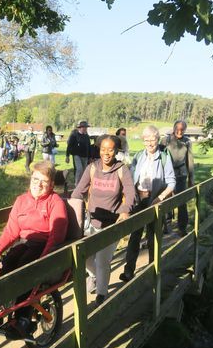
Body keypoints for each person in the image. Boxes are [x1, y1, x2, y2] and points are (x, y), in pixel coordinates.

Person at [0, 161, 68, 336]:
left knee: (25, 269)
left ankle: (23, 319)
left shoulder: (55, 202)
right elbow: (11, 231)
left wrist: (44, 259)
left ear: (51, 184)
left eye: (44, 181)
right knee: (6, 265)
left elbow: (56, 235)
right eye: (35, 179)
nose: (38, 184)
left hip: (41, 243)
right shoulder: (21, 201)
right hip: (22, 242)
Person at [70, 135, 135, 306]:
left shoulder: (122, 170)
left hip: (111, 225)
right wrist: (71, 208)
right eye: (103, 149)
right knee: (83, 257)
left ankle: (101, 295)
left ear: (116, 151)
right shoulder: (92, 168)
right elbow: (78, 192)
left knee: (103, 261)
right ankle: (94, 276)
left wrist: (125, 210)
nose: (106, 153)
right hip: (91, 222)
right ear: (99, 150)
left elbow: (130, 193)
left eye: (110, 149)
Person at [119, 125, 175, 282]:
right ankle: (129, 271)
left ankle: (153, 269)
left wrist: (161, 198)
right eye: (147, 140)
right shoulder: (139, 156)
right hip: (139, 200)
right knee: (134, 236)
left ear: (158, 139)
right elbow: (130, 179)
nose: (150, 143)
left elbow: (171, 182)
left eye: (153, 139)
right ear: (143, 140)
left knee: (153, 236)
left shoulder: (164, 156)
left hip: (155, 200)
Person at [163, 119, 195, 236]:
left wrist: (191, 178)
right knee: (166, 200)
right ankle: (165, 226)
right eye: (178, 129)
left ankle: (182, 228)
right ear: (174, 128)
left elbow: (190, 160)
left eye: (182, 129)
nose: (180, 131)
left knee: (181, 202)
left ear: (185, 130)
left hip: (181, 175)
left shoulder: (187, 142)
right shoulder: (165, 140)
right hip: (166, 175)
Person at [66, 120, 92, 186]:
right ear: (80, 128)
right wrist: (67, 156)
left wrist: (90, 157)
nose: (85, 129)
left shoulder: (87, 136)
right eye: (84, 127)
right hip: (77, 155)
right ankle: (77, 184)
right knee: (79, 169)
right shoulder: (74, 136)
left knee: (84, 171)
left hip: (85, 156)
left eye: (86, 127)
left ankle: (82, 184)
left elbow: (89, 147)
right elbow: (69, 146)